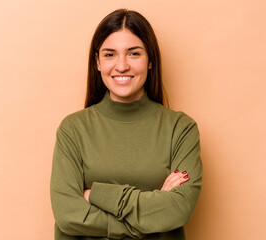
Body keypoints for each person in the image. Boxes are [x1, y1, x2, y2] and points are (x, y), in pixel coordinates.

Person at [50, 9, 203, 240]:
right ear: (97, 62)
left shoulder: (180, 129)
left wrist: (95, 194)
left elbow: (177, 210)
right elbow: (67, 215)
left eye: (133, 54)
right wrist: (151, 214)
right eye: (110, 55)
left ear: (150, 60)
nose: (121, 66)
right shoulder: (73, 129)